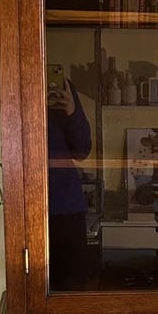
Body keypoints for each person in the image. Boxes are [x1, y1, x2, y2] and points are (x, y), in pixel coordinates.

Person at [47, 77, 92, 290]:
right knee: (38, 286)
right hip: (29, 205)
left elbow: (82, 150)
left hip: (66, 205)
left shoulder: (64, 88)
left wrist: (72, 112)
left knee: (73, 286)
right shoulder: (18, 85)